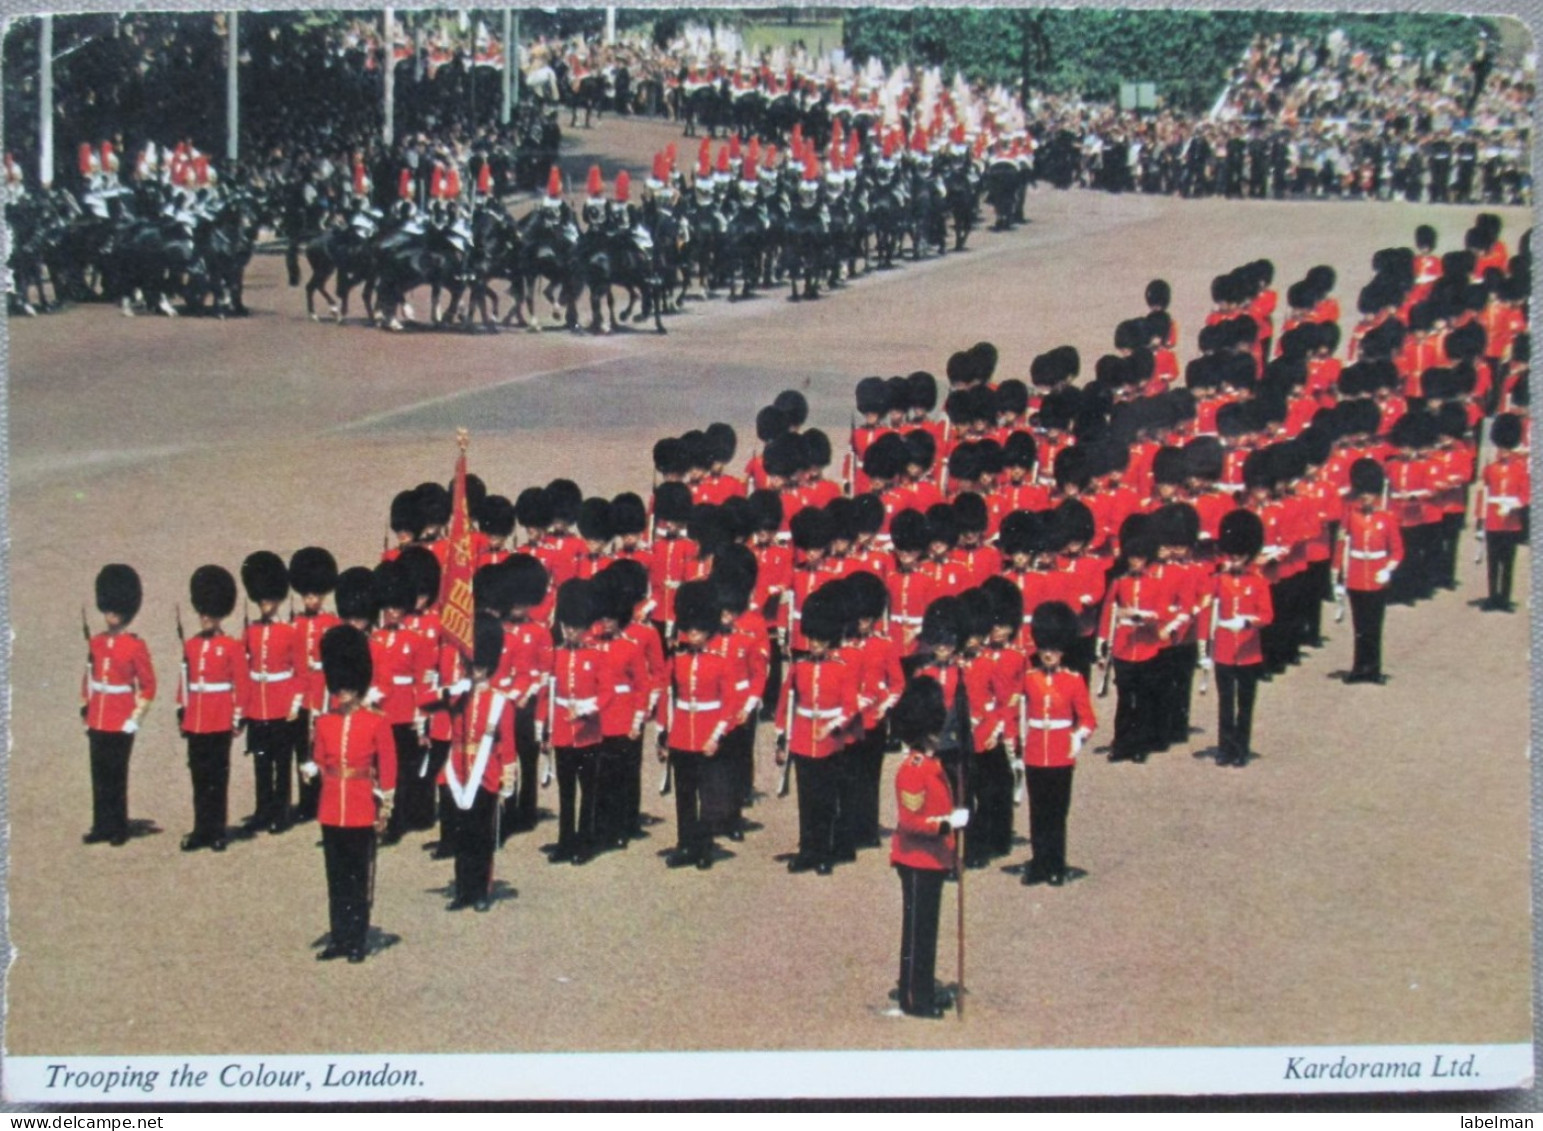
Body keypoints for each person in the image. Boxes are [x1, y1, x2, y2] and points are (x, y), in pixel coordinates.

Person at [300, 625, 397, 964]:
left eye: (347, 686)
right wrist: (311, 768)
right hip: (331, 808)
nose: (342, 692)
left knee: (358, 879)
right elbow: (321, 759)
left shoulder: (376, 722)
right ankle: (339, 937)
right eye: (338, 686)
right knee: (336, 879)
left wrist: (385, 805)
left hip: (359, 807)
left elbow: (387, 764)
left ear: (358, 685)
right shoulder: (325, 723)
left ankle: (357, 939)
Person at [889, 676, 968, 1019]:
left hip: (932, 859)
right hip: (917, 859)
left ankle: (917, 989)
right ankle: (915, 999)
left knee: (924, 931)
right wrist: (949, 824)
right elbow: (910, 822)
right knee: (919, 934)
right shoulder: (913, 769)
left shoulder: (933, 765)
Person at [438, 615, 516, 912]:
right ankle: (463, 890)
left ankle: (481, 889)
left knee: (482, 836)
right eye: (473, 664)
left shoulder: (500, 701)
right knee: (462, 835)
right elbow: (450, 734)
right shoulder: (459, 697)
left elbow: (506, 743)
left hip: (486, 775)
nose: (478, 670)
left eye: (481, 665)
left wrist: (506, 780)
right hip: (460, 772)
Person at [1017, 601, 1093, 886]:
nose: (1049, 654)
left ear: (1063, 651)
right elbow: (1015, 707)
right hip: (1036, 752)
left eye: (1055, 649)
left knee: (1057, 813)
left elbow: (1088, 720)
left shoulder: (1073, 681)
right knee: (1038, 812)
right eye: (1045, 648)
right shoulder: (1029, 678)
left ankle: (1056, 865)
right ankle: (1039, 863)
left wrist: (1076, 739)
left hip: (1062, 754)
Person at [82, 564, 156, 847]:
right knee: (98, 775)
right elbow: (88, 678)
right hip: (98, 718)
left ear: (125, 611)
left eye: (116, 609)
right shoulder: (97, 642)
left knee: (116, 774)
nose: (111, 614)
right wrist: (85, 707)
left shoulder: (135, 646)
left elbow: (148, 685)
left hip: (121, 718)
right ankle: (101, 824)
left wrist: (135, 719)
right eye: (108, 608)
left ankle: (118, 826)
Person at [1201, 511, 1273, 767]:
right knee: (1225, 703)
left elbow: (1266, 615)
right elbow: (1205, 603)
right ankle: (1225, 747)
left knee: (1245, 704)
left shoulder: (1258, 582)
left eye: (1240, 556)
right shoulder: (1219, 580)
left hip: (1248, 651)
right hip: (1223, 649)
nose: (1235, 560)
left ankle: (1241, 747)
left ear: (1249, 555)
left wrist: (1246, 622)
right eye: (1232, 555)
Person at [240, 551, 302, 836]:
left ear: (277, 599)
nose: (265, 605)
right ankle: (262, 810)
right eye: (261, 600)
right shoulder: (250, 631)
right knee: (261, 761)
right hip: (257, 705)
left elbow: (299, 671)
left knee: (281, 762)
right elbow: (245, 670)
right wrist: (242, 707)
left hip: (280, 705)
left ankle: (281, 811)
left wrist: (295, 703)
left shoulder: (289, 632)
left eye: (269, 600)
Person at [1336, 458, 1403, 684]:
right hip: (1355, 576)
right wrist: (1337, 575)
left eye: (1369, 494)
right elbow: (1343, 545)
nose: (1365, 498)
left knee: (1374, 626)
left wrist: (1388, 570)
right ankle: (1358, 667)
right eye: (1362, 493)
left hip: (1377, 577)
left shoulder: (1387, 518)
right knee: (1359, 627)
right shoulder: (1351, 516)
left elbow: (1397, 551)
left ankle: (1374, 668)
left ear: (1375, 494)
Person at [288, 547, 340, 823]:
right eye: (307, 595)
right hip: (301, 692)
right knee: (302, 747)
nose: (311, 600)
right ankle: (306, 801)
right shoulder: (294, 623)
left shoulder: (331, 622)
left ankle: (322, 798)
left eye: (315, 595)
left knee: (323, 747)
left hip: (323, 692)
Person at [1478, 412, 1529, 611]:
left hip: (1511, 521)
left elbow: (1526, 495)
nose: (1503, 452)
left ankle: (1505, 598)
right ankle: (1492, 596)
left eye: (1507, 448)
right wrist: (1479, 522)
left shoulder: (1520, 469)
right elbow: (1484, 493)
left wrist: (1513, 504)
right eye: (1501, 448)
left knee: (1508, 563)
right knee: (1492, 562)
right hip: (1492, 520)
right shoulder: (1490, 469)